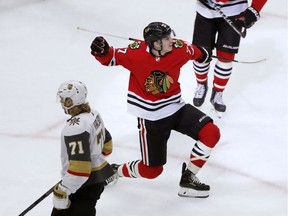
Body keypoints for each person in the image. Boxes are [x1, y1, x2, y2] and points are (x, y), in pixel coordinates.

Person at [90, 22, 221, 198]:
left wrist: (204, 55)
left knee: (211, 132)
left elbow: (197, 53)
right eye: (166, 38)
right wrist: (102, 51)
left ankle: (188, 178)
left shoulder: (179, 49)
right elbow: (111, 57)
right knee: (151, 171)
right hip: (151, 117)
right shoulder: (135, 53)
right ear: (155, 44)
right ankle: (115, 171)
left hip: (176, 107)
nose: (172, 41)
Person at [192, 0, 267, 117]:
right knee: (201, 54)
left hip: (235, 13)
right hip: (205, 12)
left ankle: (218, 92)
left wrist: (255, 9)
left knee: (225, 58)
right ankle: (201, 84)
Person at [51, 80, 115, 216]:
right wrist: (98, 154)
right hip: (95, 180)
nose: (62, 103)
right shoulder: (94, 114)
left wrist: (64, 190)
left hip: (82, 186)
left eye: (66, 100)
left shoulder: (75, 128)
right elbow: (107, 144)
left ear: (75, 100)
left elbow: (80, 170)